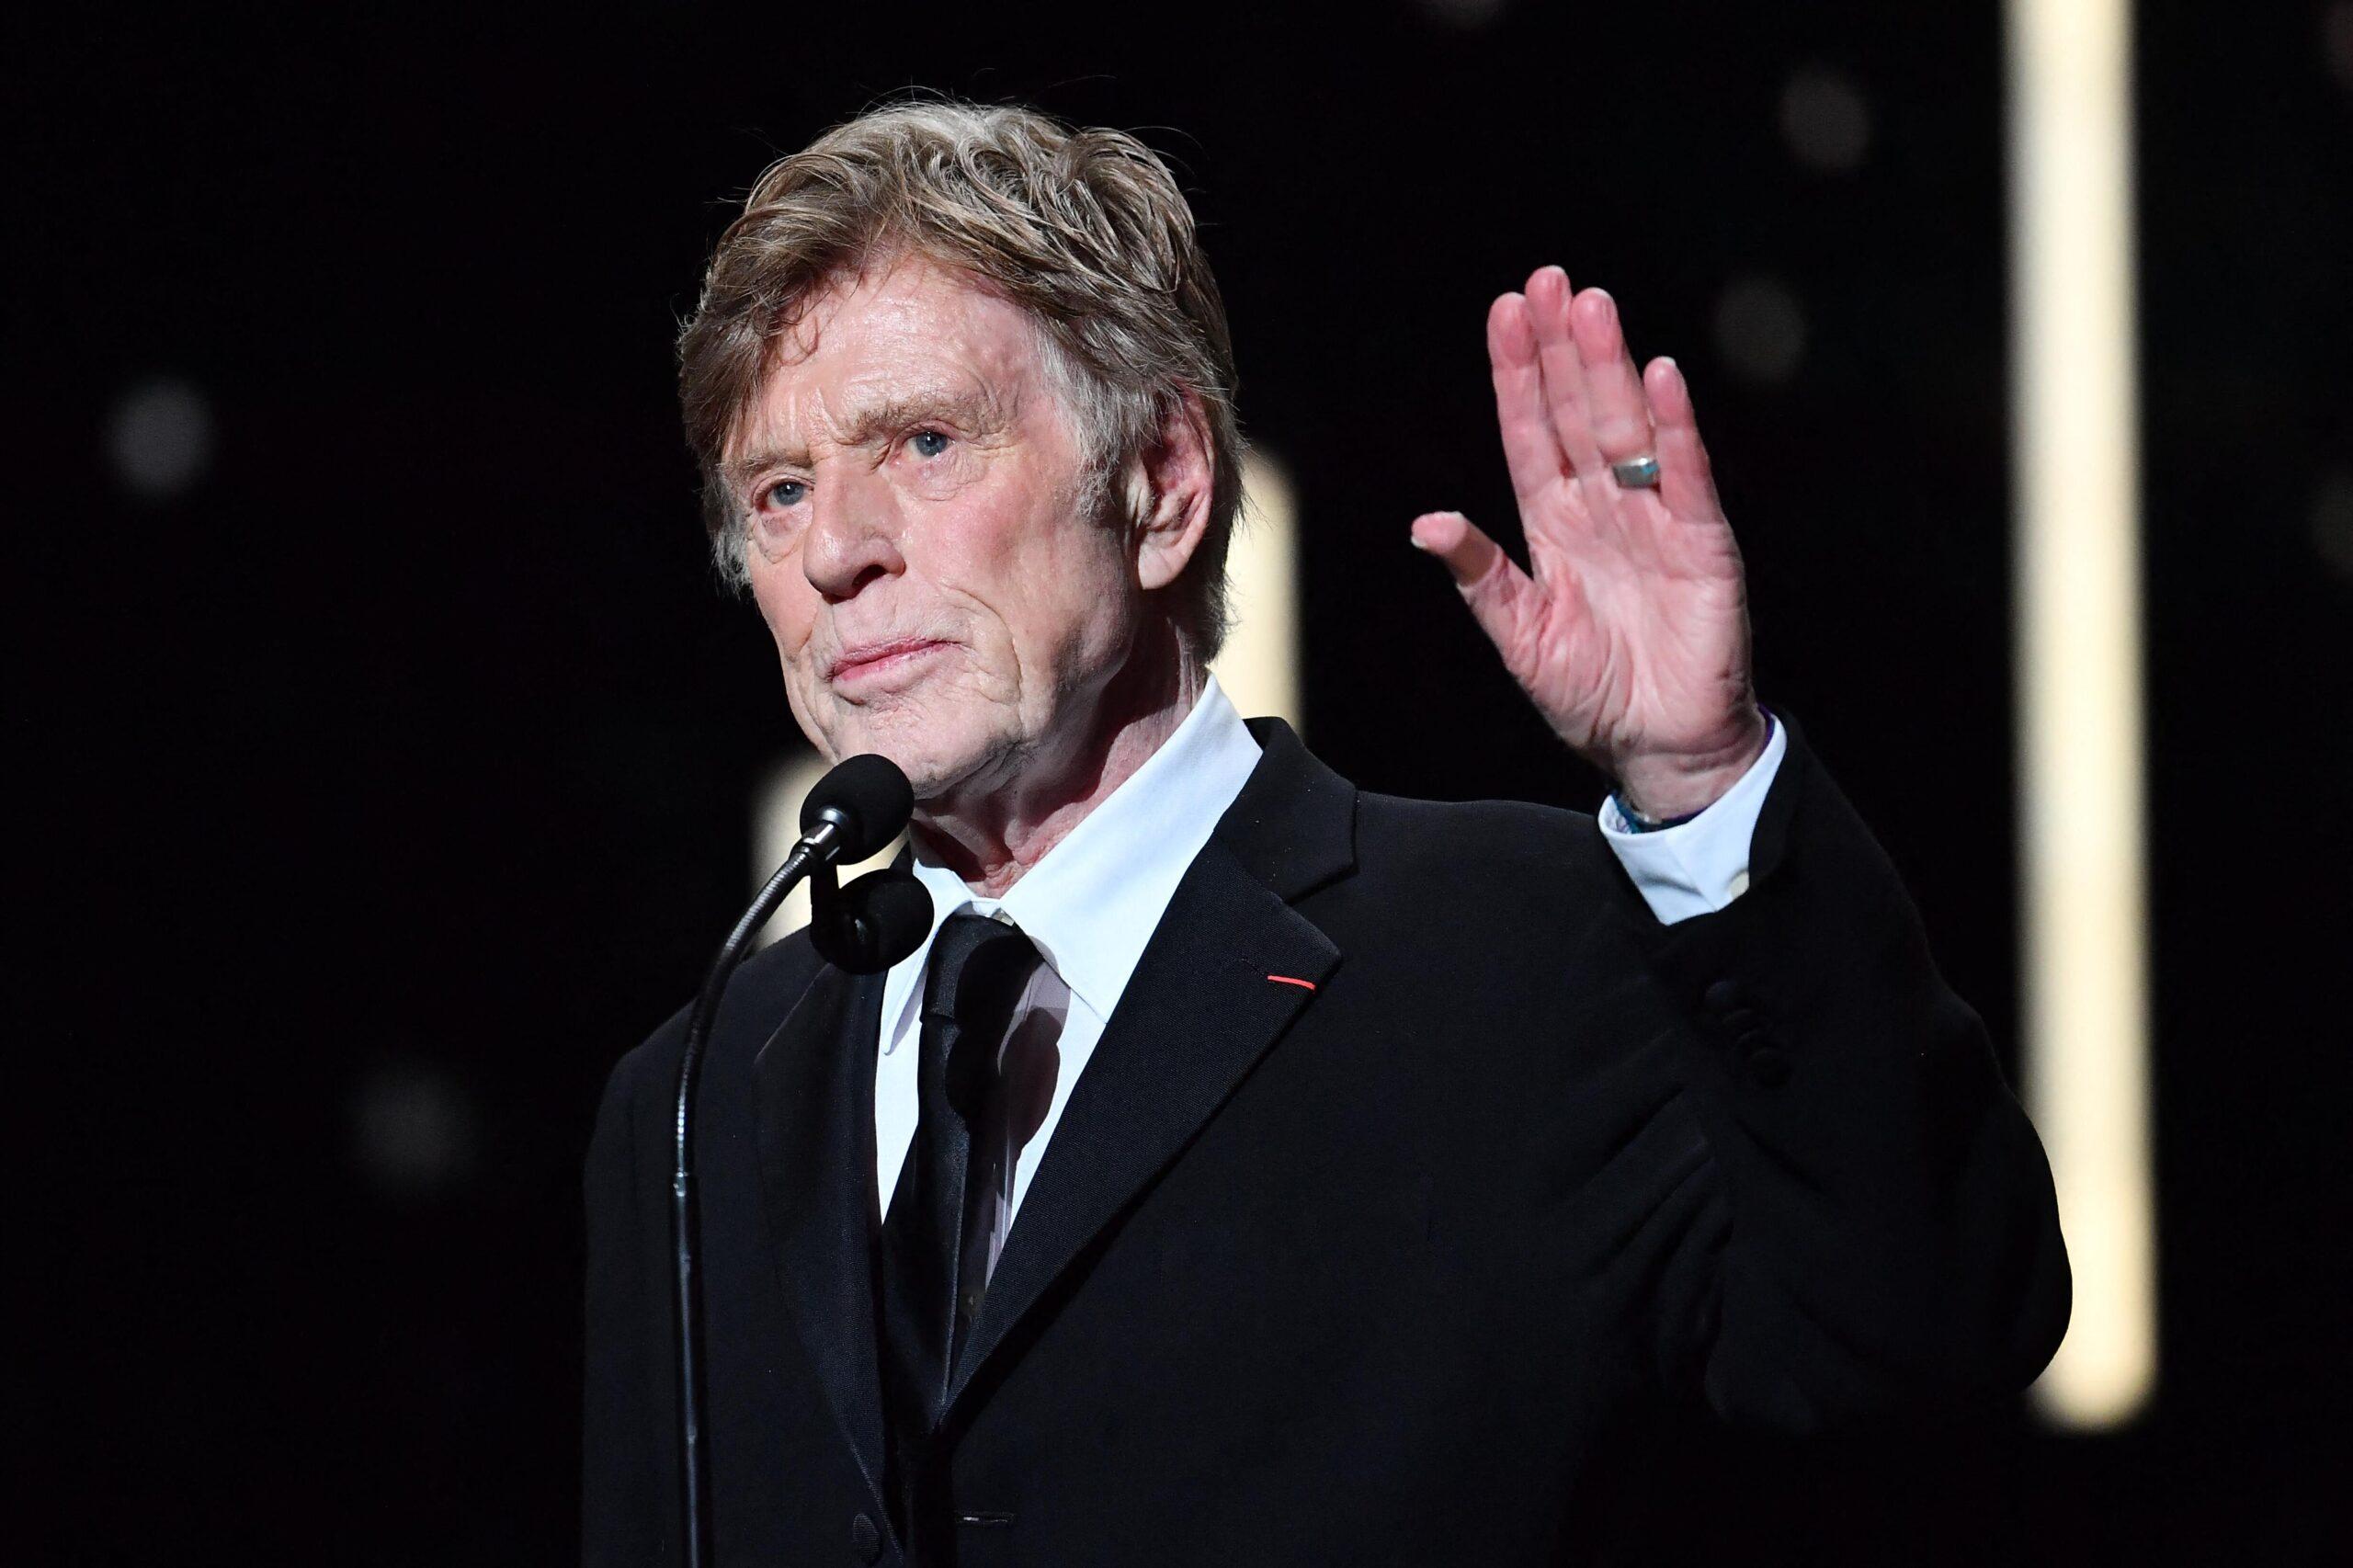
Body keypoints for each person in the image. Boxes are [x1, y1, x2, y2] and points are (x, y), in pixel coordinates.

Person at [584, 98, 2070, 1566]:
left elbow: (1925, 1331)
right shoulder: (700, 1090)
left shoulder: (1522, 952)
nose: (836, 549)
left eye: (921, 442)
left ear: (1162, 486)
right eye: (780, 491)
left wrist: (1705, 778)